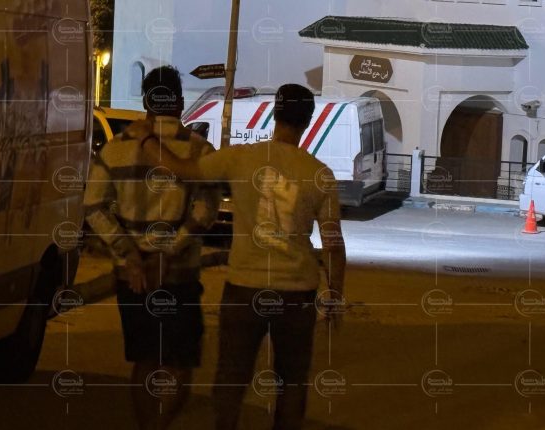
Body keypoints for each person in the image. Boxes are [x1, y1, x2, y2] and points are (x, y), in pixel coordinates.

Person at [140, 84, 347, 430]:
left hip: (244, 288)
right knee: (292, 383)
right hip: (297, 293)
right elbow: (333, 244)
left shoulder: (240, 158)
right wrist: (335, 293)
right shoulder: (319, 174)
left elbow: (181, 169)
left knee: (231, 379)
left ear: (274, 115)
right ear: (308, 121)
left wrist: (147, 138)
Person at [83, 66, 220, 430]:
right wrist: (168, 251)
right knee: (179, 363)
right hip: (178, 276)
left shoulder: (114, 150)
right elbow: (205, 211)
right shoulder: (199, 150)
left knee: (144, 361)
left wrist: (130, 255)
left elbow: (93, 206)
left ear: (145, 103)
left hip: (134, 278)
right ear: (180, 102)